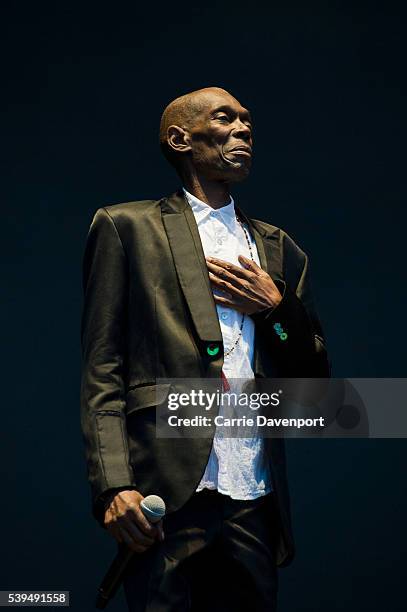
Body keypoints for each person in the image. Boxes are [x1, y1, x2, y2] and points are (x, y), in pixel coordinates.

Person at [80, 87, 330, 611]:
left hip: (253, 496)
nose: (244, 129)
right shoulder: (127, 228)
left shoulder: (278, 247)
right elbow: (104, 368)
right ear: (180, 138)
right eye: (226, 118)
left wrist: (275, 309)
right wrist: (112, 485)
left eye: (248, 121)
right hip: (164, 494)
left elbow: (312, 385)